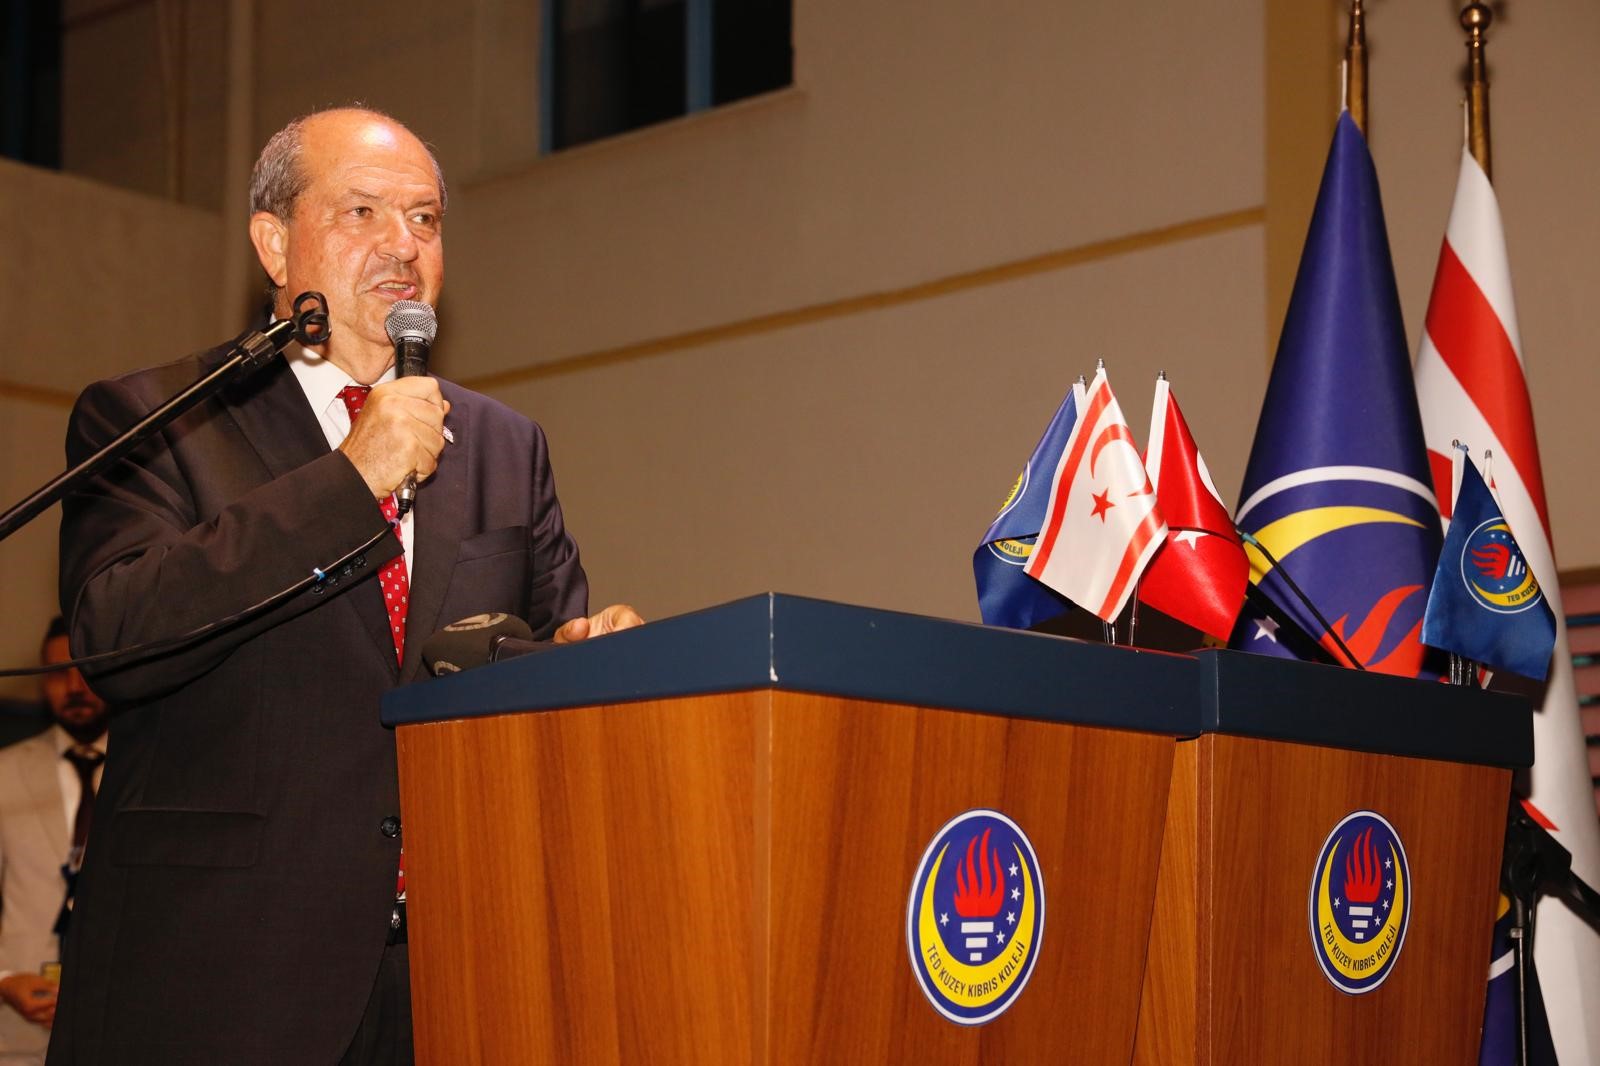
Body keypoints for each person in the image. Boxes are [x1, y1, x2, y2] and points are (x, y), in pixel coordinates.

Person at [49, 108, 640, 1065]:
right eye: (363, 211)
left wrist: (584, 663)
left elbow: (536, 666)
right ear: (273, 242)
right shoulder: (156, 420)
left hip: (452, 978)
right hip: (221, 982)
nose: (403, 244)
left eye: (425, 219)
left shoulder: (504, 446)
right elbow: (119, 638)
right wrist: (350, 480)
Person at [0, 618, 110, 1066]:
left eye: (85, 671)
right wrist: (4, 978)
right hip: (18, 1026)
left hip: (121, 1018)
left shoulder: (154, 774)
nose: (74, 688)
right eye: (57, 674)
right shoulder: (4, 772)